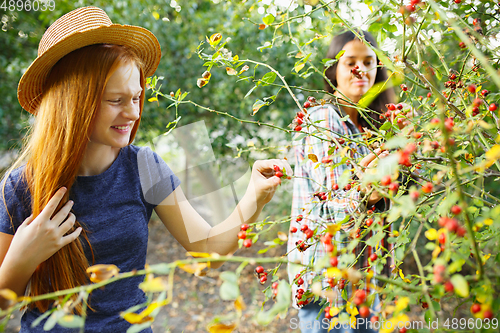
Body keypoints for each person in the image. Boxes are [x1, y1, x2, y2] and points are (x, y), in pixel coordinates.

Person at [0, 6, 292, 332]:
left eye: (137, 97)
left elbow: (207, 251)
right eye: (116, 100)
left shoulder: (144, 168)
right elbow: (3, 301)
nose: (133, 112)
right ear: (74, 102)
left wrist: (254, 195)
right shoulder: (22, 185)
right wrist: (22, 258)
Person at [287, 30, 397, 333]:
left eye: (368, 61)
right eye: (350, 62)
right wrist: (367, 193)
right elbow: (333, 200)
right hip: (329, 281)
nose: (360, 69)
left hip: (365, 275)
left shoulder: (375, 128)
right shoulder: (323, 119)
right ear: (333, 70)